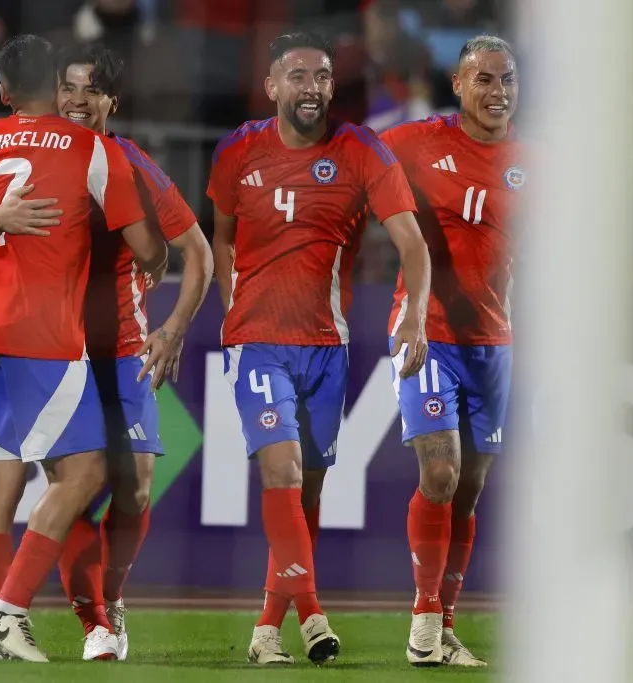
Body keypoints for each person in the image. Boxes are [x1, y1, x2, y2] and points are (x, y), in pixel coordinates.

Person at [0, 34, 168, 664]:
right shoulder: (93, 149)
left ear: (5, 92)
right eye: (70, 86)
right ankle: (6, 613)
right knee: (87, 471)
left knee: (2, 481)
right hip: (49, 336)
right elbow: (151, 250)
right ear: (55, 87)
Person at [208, 30, 431, 666]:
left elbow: (413, 246)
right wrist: (233, 308)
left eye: (323, 77)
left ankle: (264, 631)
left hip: (326, 346)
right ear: (272, 85)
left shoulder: (360, 150)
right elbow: (220, 238)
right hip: (257, 344)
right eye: (299, 76)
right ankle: (313, 618)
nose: (312, 88)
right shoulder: (237, 152)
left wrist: (414, 317)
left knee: (306, 495)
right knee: (278, 471)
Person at [50, 42, 214, 662]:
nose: (78, 101)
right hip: (52, 349)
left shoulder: (130, 162)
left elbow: (197, 253)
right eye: (69, 88)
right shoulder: (32, 155)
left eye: (92, 90)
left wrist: (171, 330)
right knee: (69, 485)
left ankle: (110, 599)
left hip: (121, 346)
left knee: (138, 487)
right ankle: (94, 622)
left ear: (111, 102)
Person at [379, 35, 521, 668]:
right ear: (459, 86)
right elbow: (348, 171)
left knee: (468, 490)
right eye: (484, 80)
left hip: (494, 340)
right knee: (438, 474)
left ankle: (447, 624)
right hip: (425, 330)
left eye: (507, 79)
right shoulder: (413, 142)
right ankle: (423, 617)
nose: (498, 92)